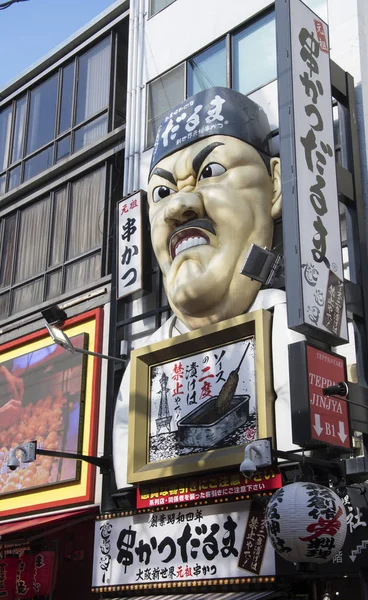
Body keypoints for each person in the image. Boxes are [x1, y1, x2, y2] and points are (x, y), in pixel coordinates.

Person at [113, 87, 303, 490]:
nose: (180, 207)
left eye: (212, 172)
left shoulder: (292, 321)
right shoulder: (144, 363)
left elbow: (301, 458)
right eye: (163, 193)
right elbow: (130, 483)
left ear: (274, 186)